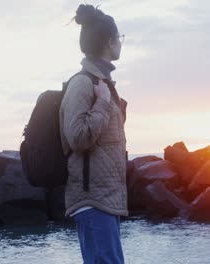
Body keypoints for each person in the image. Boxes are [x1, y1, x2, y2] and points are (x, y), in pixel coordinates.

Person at [59, 4, 128, 264]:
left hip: (105, 200)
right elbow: (76, 137)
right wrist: (101, 104)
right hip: (93, 201)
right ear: (109, 42)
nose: (121, 43)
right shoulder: (83, 83)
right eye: (119, 38)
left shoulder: (102, 84)